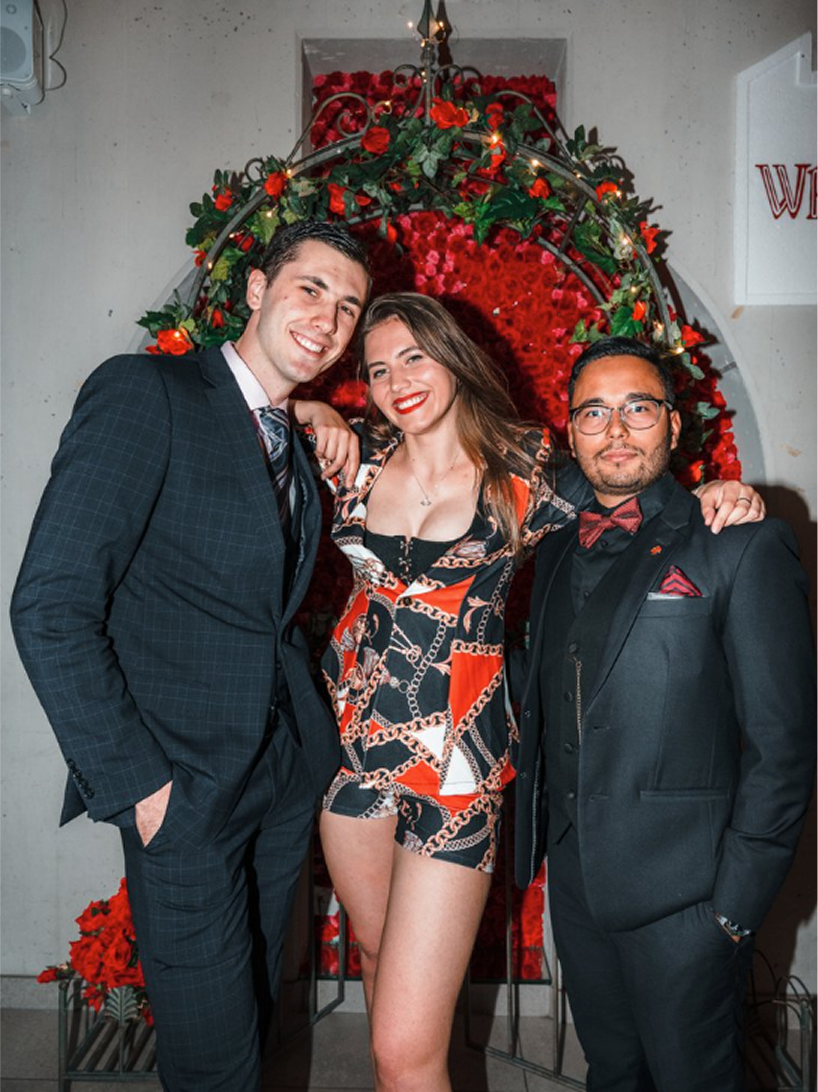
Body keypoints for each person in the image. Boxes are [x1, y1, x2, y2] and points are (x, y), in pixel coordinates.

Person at [306, 297, 765, 1092]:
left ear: (453, 355)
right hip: (350, 752)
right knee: (376, 958)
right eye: (377, 368)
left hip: (457, 767)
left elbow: (627, 486)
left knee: (403, 1053)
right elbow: (258, 402)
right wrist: (312, 405)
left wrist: (715, 493)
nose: (396, 381)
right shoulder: (358, 458)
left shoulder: (527, 471)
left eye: (415, 356)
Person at [10, 220, 370, 1092]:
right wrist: (138, 784)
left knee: (249, 1007)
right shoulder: (147, 392)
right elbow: (50, 604)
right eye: (310, 288)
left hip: (281, 772)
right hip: (182, 785)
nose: (328, 317)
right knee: (215, 1055)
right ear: (254, 289)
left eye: (349, 306)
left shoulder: (294, 432)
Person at [514, 335, 818, 1092]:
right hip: (577, 880)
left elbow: (784, 746)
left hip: (691, 895)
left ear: (674, 427)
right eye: (594, 413)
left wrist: (733, 910)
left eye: (638, 408)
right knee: (613, 1072)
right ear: (571, 432)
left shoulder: (739, 543)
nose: (615, 431)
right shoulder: (550, 544)